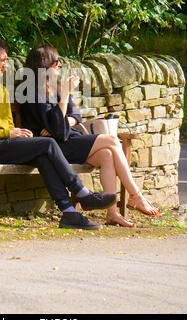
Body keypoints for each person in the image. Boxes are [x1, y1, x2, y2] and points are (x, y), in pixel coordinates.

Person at [0, 37, 116, 230]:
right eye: (3, 60)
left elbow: (8, 122)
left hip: (8, 144)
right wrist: (9, 132)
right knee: (47, 144)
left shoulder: (0, 89)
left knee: (43, 157)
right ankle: (82, 192)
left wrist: (17, 133)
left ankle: (70, 213)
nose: (6, 65)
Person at [21, 45, 161, 227]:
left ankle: (112, 213)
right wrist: (63, 101)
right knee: (111, 140)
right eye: (56, 62)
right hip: (53, 147)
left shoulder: (56, 87)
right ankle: (136, 196)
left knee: (107, 155)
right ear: (44, 65)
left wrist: (64, 120)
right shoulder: (32, 92)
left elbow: (75, 116)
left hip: (66, 139)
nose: (60, 65)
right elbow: (59, 131)